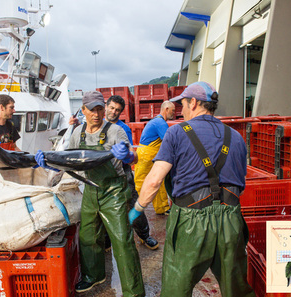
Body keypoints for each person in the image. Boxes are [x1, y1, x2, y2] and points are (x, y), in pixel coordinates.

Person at [128, 82, 254, 297]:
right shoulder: (236, 136)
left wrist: (137, 209)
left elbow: (154, 181)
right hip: (231, 220)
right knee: (236, 288)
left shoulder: (176, 133)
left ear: (194, 102)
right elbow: (239, 182)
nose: (181, 110)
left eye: (183, 104)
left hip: (191, 223)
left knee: (177, 287)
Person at [36, 91, 145, 296]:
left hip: (113, 192)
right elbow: (71, 160)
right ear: (83, 110)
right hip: (90, 190)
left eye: (100, 109)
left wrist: (128, 155)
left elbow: (134, 158)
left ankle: (134, 291)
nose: (97, 114)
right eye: (92, 110)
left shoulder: (115, 131)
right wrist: (51, 164)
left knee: (122, 241)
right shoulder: (78, 132)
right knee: (88, 236)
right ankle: (93, 276)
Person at [105, 95, 159, 250]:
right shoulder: (96, 125)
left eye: (117, 110)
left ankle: (144, 235)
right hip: (102, 173)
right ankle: (106, 240)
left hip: (122, 171)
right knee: (103, 207)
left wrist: (127, 155)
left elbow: (131, 156)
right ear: (106, 106)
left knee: (132, 202)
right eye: (112, 108)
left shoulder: (124, 128)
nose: (114, 112)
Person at [134, 101, 175, 215]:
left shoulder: (157, 121)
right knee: (140, 182)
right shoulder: (160, 123)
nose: (174, 113)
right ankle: (131, 206)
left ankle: (163, 208)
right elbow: (169, 142)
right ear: (166, 109)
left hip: (151, 155)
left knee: (159, 181)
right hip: (146, 155)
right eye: (172, 110)